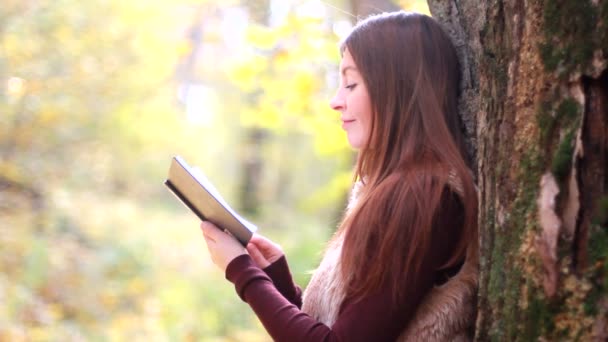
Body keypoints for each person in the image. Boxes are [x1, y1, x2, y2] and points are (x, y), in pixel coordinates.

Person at [201, 10, 479, 341]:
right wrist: (274, 277)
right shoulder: (393, 191)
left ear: (397, 88)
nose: (336, 101)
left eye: (350, 83)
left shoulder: (425, 198)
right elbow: (345, 328)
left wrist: (242, 271)